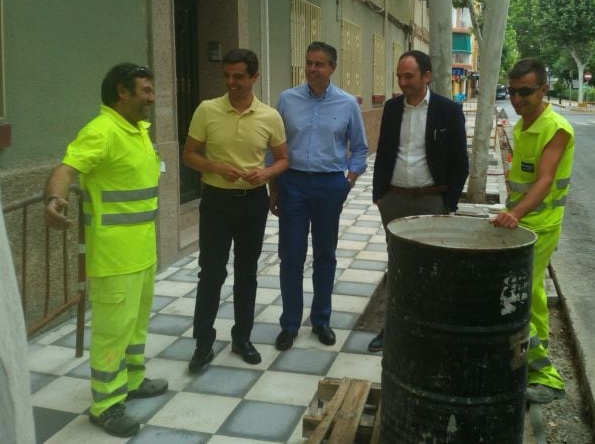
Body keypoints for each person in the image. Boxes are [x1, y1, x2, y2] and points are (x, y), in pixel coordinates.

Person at [44, 63, 167, 437]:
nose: (151, 98)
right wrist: (54, 200)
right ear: (122, 92)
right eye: (145, 90)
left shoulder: (137, 129)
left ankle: (133, 380)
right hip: (114, 257)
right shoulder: (101, 131)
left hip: (142, 252)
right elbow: (66, 170)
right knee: (112, 331)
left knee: (135, 325)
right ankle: (106, 405)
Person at [183, 49, 288, 372]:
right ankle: (203, 343)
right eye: (227, 76)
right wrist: (215, 166)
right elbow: (189, 154)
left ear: (255, 77)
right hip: (216, 202)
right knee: (211, 273)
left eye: (239, 76)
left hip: (253, 202)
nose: (231, 82)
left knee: (246, 273)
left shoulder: (269, 116)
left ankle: (242, 338)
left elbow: (284, 159)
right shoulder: (207, 110)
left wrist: (265, 174)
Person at [367, 50, 469, 352]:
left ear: (426, 76)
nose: (402, 82)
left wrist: (447, 202)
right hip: (394, 200)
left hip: (430, 201)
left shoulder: (448, 111)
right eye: (399, 76)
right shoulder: (392, 108)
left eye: (408, 76)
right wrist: (379, 195)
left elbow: (460, 161)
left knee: (432, 266)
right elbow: (384, 153)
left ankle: (428, 329)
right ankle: (393, 328)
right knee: (397, 265)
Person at [270, 41, 369, 350]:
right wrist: (274, 187)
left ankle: (321, 321)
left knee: (325, 255)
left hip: (330, 185)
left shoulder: (347, 103)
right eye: (309, 63)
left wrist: (348, 181)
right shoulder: (287, 100)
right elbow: (274, 147)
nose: (312, 69)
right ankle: (289, 324)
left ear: (332, 68)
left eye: (319, 64)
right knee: (291, 255)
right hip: (293, 184)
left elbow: (360, 148)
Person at [490, 58, 574, 404]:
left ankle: (546, 377)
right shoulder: (524, 125)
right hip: (525, 223)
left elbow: (545, 180)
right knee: (532, 294)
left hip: (540, 225)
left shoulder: (555, 128)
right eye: (511, 91)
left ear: (543, 90)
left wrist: (515, 214)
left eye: (525, 92)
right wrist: (512, 213)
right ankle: (528, 363)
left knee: (521, 296)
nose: (516, 99)